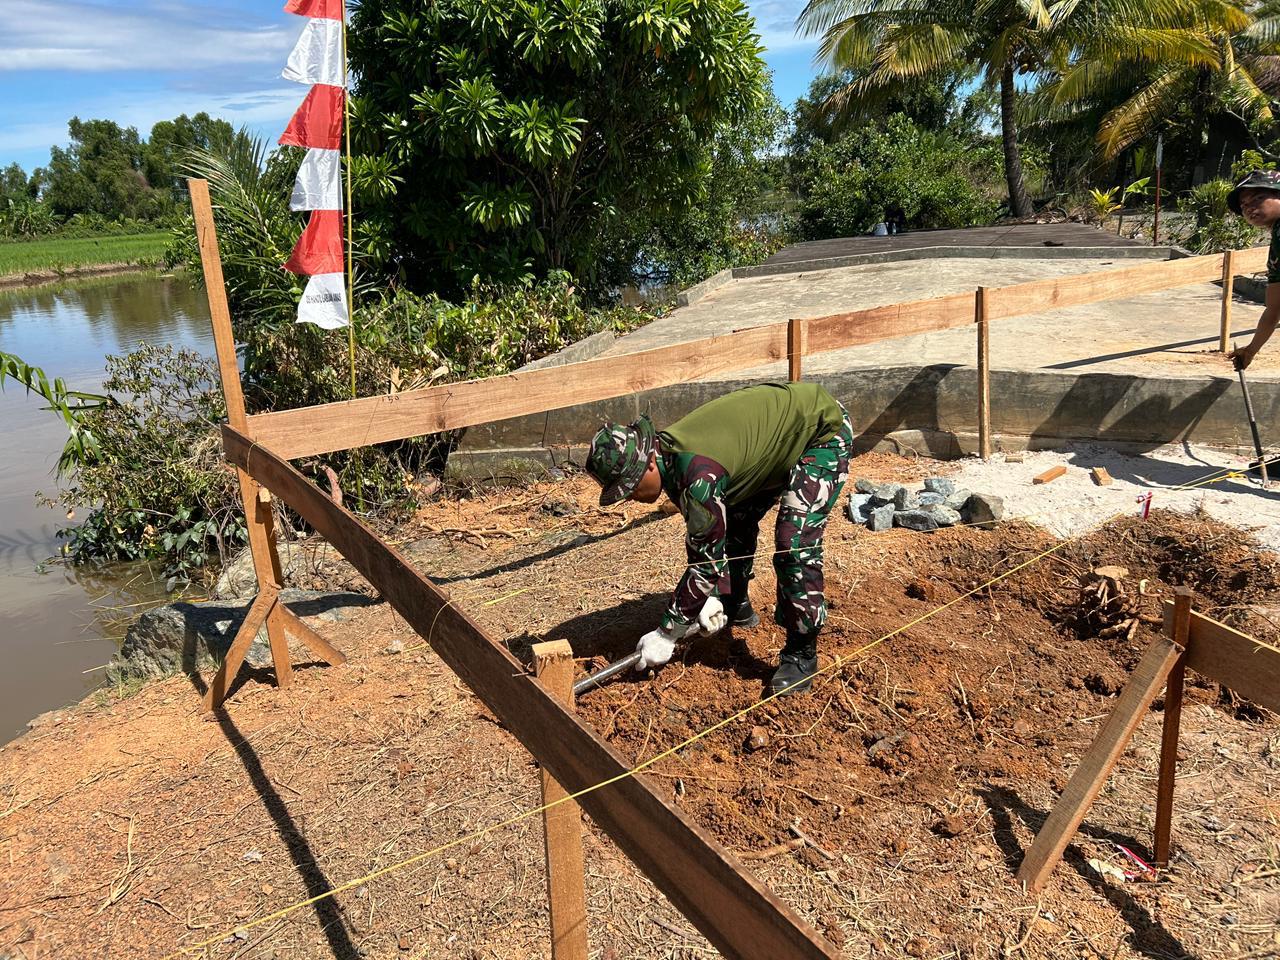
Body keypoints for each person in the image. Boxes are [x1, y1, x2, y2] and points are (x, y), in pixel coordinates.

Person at [585, 382, 853, 696]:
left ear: (647, 466)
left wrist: (667, 632)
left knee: (793, 543)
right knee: (735, 516)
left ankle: (801, 653)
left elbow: (705, 565)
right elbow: (709, 538)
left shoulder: (696, 473)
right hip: (775, 440)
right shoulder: (669, 456)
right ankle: (734, 602)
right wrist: (709, 596)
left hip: (819, 433)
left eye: (629, 489)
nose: (630, 498)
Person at [1226, 170, 1280, 368]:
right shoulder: (1276, 253)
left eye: (1257, 198)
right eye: (1244, 205)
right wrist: (1251, 350)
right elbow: (1274, 309)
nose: (1249, 208)